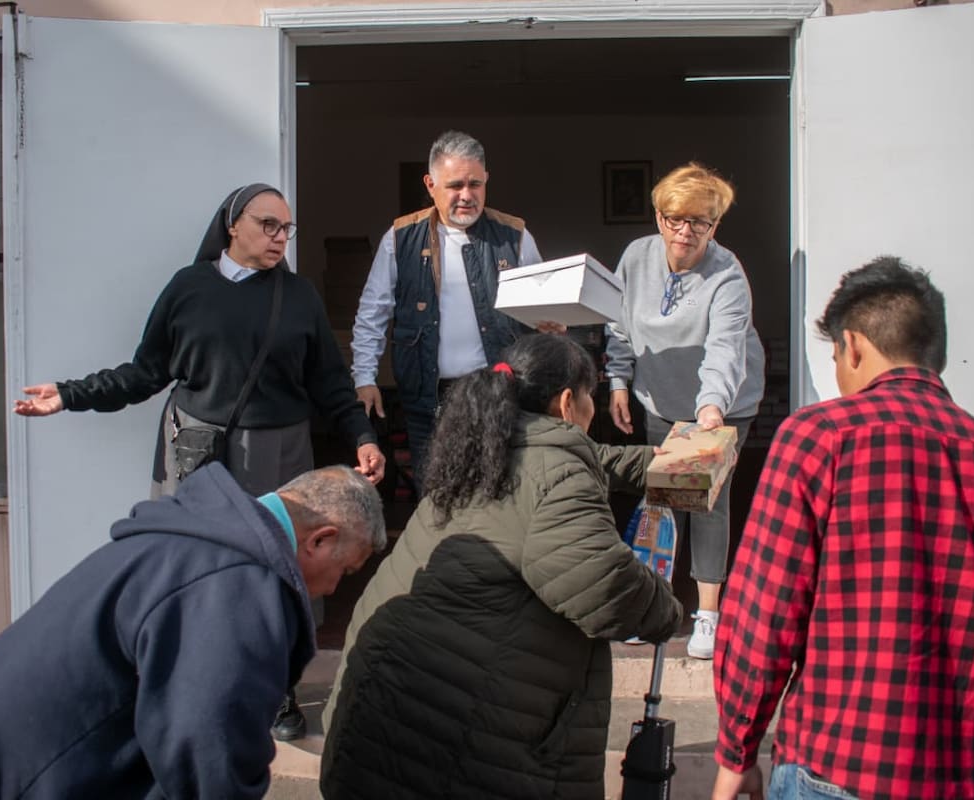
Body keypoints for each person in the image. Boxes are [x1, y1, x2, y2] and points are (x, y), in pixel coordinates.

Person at [13, 183, 384, 739]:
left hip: (279, 451)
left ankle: (276, 693)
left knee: (281, 573)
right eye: (268, 225)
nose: (279, 238)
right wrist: (69, 394)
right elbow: (144, 373)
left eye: (287, 229)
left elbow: (330, 384)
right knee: (192, 569)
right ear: (232, 226)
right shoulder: (188, 288)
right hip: (195, 449)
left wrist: (362, 435)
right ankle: (192, 687)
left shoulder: (299, 296)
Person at [711, 257, 974, 800]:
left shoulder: (820, 438)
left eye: (837, 356)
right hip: (971, 776)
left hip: (839, 766)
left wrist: (736, 751)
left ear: (855, 346)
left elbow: (764, 613)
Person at [319, 334, 683, 800]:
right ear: (569, 402)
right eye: (590, 395)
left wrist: (659, 463)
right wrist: (667, 612)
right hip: (455, 752)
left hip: (374, 724)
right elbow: (604, 587)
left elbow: (587, 460)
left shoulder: (481, 445)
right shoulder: (558, 475)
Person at [0, 463, 387, 800]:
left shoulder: (196, 537)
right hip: (11, 779)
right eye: (345, 570)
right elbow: (208, 751)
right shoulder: (237, 582)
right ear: (319, 539)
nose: (332, 586)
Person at [604, 161, 765, 660]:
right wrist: (618, 381)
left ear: (714, 226)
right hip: (660, 397)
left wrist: (712, 409)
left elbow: (724, 348)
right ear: (658, 217)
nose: (685, 231)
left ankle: (708, 615)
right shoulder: (636, 257)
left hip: (725, 402)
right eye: (675, 219)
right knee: (661, 500)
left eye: (699, 222)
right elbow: (618, 322)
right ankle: (656, 607)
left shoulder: (727, 274)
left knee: (708, 503)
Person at [350, 130, 548, 488]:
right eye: (455, 185)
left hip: (497, 394)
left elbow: (540, 307)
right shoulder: (400, 238)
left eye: (475, 183)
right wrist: (364, 378)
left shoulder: (515, 236)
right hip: (428, 398)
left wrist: (553, 322)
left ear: (487, 179)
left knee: (496, 493)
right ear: (430, 184)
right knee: (435, 496)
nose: (466, 196)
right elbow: (372, 313)